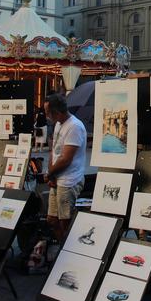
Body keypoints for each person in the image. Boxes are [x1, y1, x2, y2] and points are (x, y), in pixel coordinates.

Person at [44, 93, 87, 243]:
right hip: (58, 177)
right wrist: (51, 174)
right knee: (52, 219)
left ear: (56, 112)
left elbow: (66, 159)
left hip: (69, 180)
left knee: (65, 220)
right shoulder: (58, 124)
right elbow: (54, 151)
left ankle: (68, 249)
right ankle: (62, 247)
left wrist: (50, 173)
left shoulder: (74, 126)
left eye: (47, 112)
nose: (46, 116)